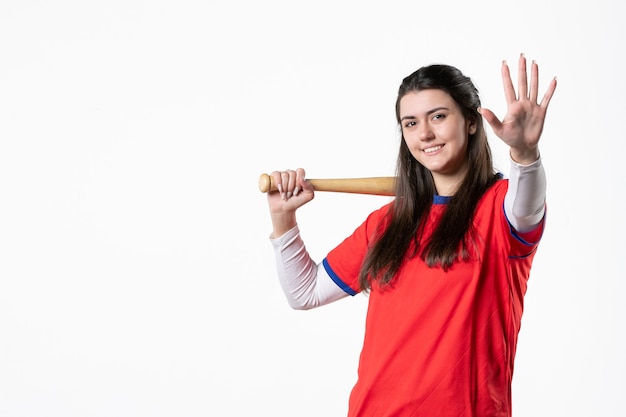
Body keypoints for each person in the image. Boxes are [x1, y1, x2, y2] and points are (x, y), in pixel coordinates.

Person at [265, 53, 557, 417]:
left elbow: (527, 203)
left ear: (470, 121)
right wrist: (283, 218)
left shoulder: (501, 211)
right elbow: (304, 292)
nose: (425, 134)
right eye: (410, 123)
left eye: (438, 116)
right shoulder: (387, 222)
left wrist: (525, 153)